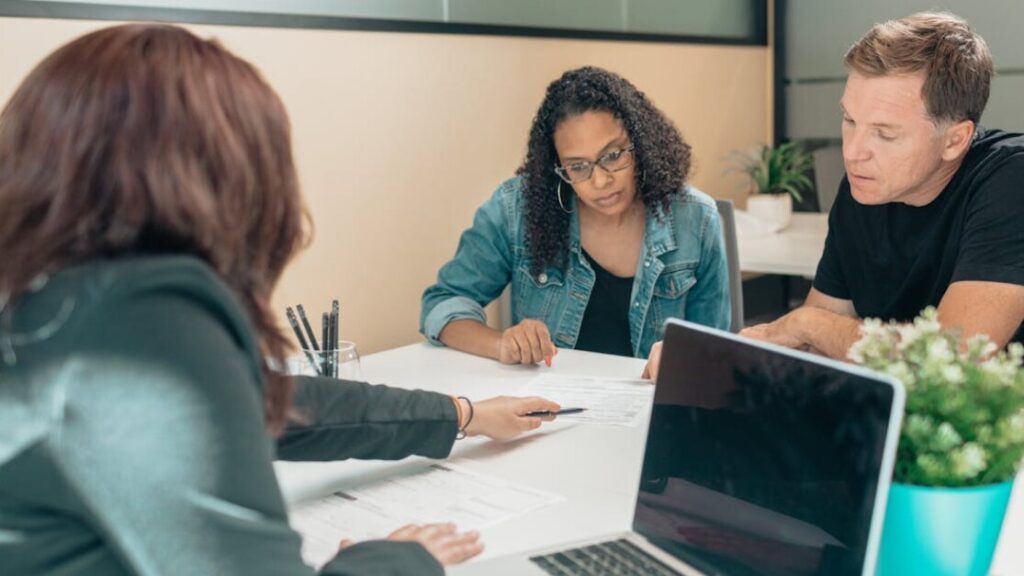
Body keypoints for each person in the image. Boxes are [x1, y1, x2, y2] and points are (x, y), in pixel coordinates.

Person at [0, 24, 561, 576]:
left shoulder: (52, 303)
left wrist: (462, 414)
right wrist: (395, 559)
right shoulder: (142, 323)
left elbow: (272, 404)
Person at [743, 12, 1024, 359]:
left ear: (955, 141)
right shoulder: (865, 185)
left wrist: (809, 324)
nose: (853, 152)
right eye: (849, 120)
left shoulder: (1011, 178)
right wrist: (706, 360)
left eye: (885, 133)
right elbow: (810, 350)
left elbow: (955, 354)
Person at [420, 66, 731, 378]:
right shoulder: (516, 209)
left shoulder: (696, 218)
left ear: (641, 142)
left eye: (612, 156)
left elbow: (714, 348)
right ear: (558, 167)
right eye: (577, 166)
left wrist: (687, 359)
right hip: (550, 411)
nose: (600, 180)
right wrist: (502, 343)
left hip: (650, 410)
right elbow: (443, 303)